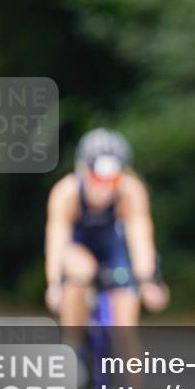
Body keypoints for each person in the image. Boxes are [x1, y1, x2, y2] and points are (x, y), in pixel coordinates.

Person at [44, 128, 168, 326]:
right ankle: (74, 347)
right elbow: (57, 240)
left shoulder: (131, 191)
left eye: (112, 179)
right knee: (79, 272)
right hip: (77, 244)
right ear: (84, 171)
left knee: (126, 313)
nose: (104, 187)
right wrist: (55, 284)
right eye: (97, 178)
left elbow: (140, 239)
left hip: (112, 244)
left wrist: (148, 281)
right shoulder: (66, 193)